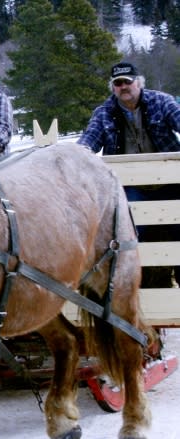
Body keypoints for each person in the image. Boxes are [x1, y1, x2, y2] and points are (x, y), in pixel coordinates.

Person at [78, 61, 180, 286]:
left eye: (127, 81)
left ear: (138, 82)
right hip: (131, 186)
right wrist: (75, 155)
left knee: (177, 228)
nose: (123, 87)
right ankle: (139, 286)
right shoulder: (104, 113)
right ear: (113, 87)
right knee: (132, 233)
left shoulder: (161, 102)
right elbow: (88, 143)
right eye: (118, 83)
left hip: (172, 181)